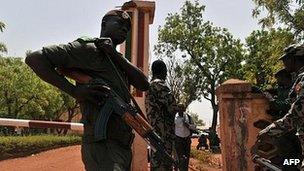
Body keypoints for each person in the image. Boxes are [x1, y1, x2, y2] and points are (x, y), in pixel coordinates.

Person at [25, 9, 149, 171]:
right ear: (104, 24)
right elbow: (35, 59)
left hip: (122, 147)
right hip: (102, 145)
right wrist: (74, 91)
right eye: (120, 23)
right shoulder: (88, 49)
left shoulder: (118, 60)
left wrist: (115, 55)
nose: (125, 29)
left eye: (127, 27)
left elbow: (144, 84)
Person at [259, 44, 304, 170]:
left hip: (291, 135)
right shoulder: (299, 80)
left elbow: (295, 114)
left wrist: (269, 130)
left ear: (294, 59)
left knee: (289, 161)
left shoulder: (303, 80)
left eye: (286, 59)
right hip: (295, 135)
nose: (284, 63)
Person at [145, 60, 177, 171]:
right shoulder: (159, 84)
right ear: (163, 71)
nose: (166, 74)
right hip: (163, 133)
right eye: (166, 71)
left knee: (157, 162)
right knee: (163, 164)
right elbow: (173, 106)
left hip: (156, 132)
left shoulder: (150, 86)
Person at [174, 104, 193, 171]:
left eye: (182, 108)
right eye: (179, 108)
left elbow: (194, 127)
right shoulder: (174, 117)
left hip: (187, 139)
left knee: (186, 158)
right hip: (178, 139)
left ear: (184, 109)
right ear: (177, 109)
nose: (180, 109)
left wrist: (188, 125)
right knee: (179, 158)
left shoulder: (189, 117)